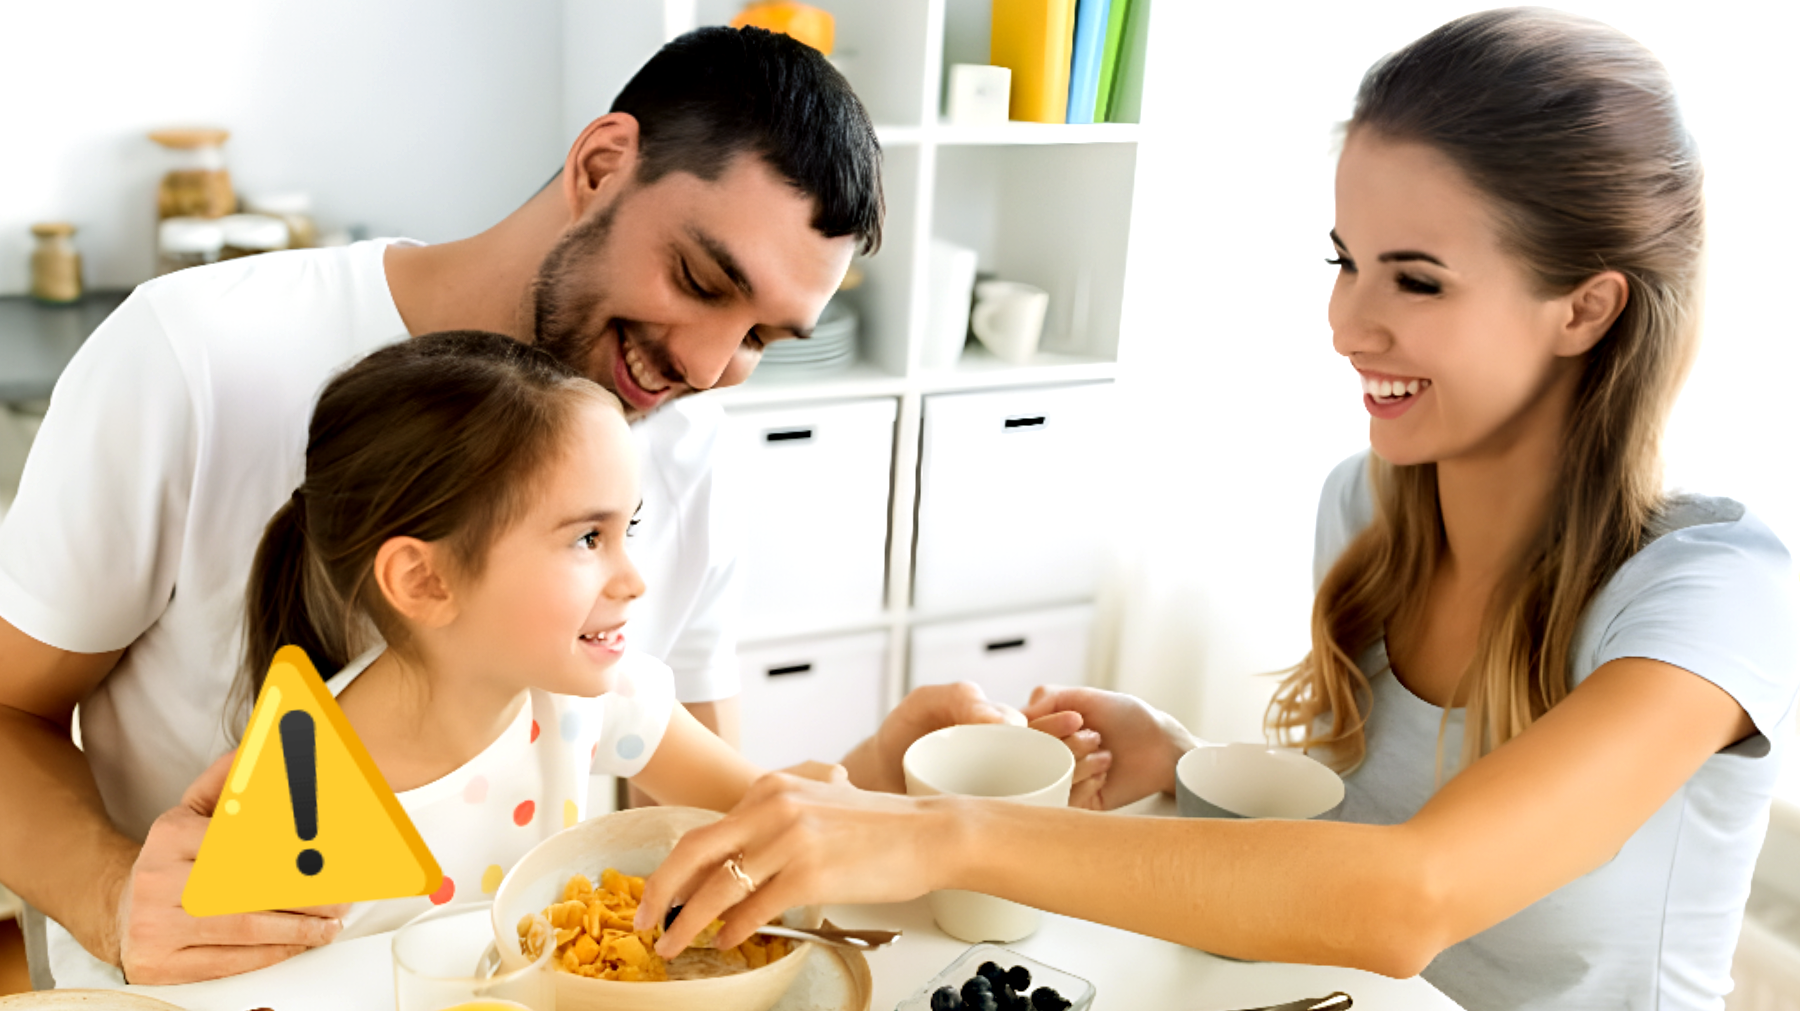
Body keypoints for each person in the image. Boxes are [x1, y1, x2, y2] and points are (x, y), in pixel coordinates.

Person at [636, 11, 1800, 1011]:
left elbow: (1416, 897)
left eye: (1417, 279)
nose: (1349, 325)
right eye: (1345, 262)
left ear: (1585, 310)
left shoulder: (1712, 594)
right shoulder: (1368, 510)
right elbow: (1355, 860)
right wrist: (1189, 768)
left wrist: (940, 833)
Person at [0, 25, 1022, 986]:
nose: (709, 368)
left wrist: (876, 777)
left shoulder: (686, 452)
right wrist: (111, 897)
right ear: (599, 166)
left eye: (763, 339)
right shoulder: (197, 355)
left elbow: (712, 823)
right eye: (702, 279)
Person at [234, 332, 784, 947]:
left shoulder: (597, 701)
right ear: (424, 581)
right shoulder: (300, 795)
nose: (635, 582)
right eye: (587, 539)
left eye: (627, 526)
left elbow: (779, 828)